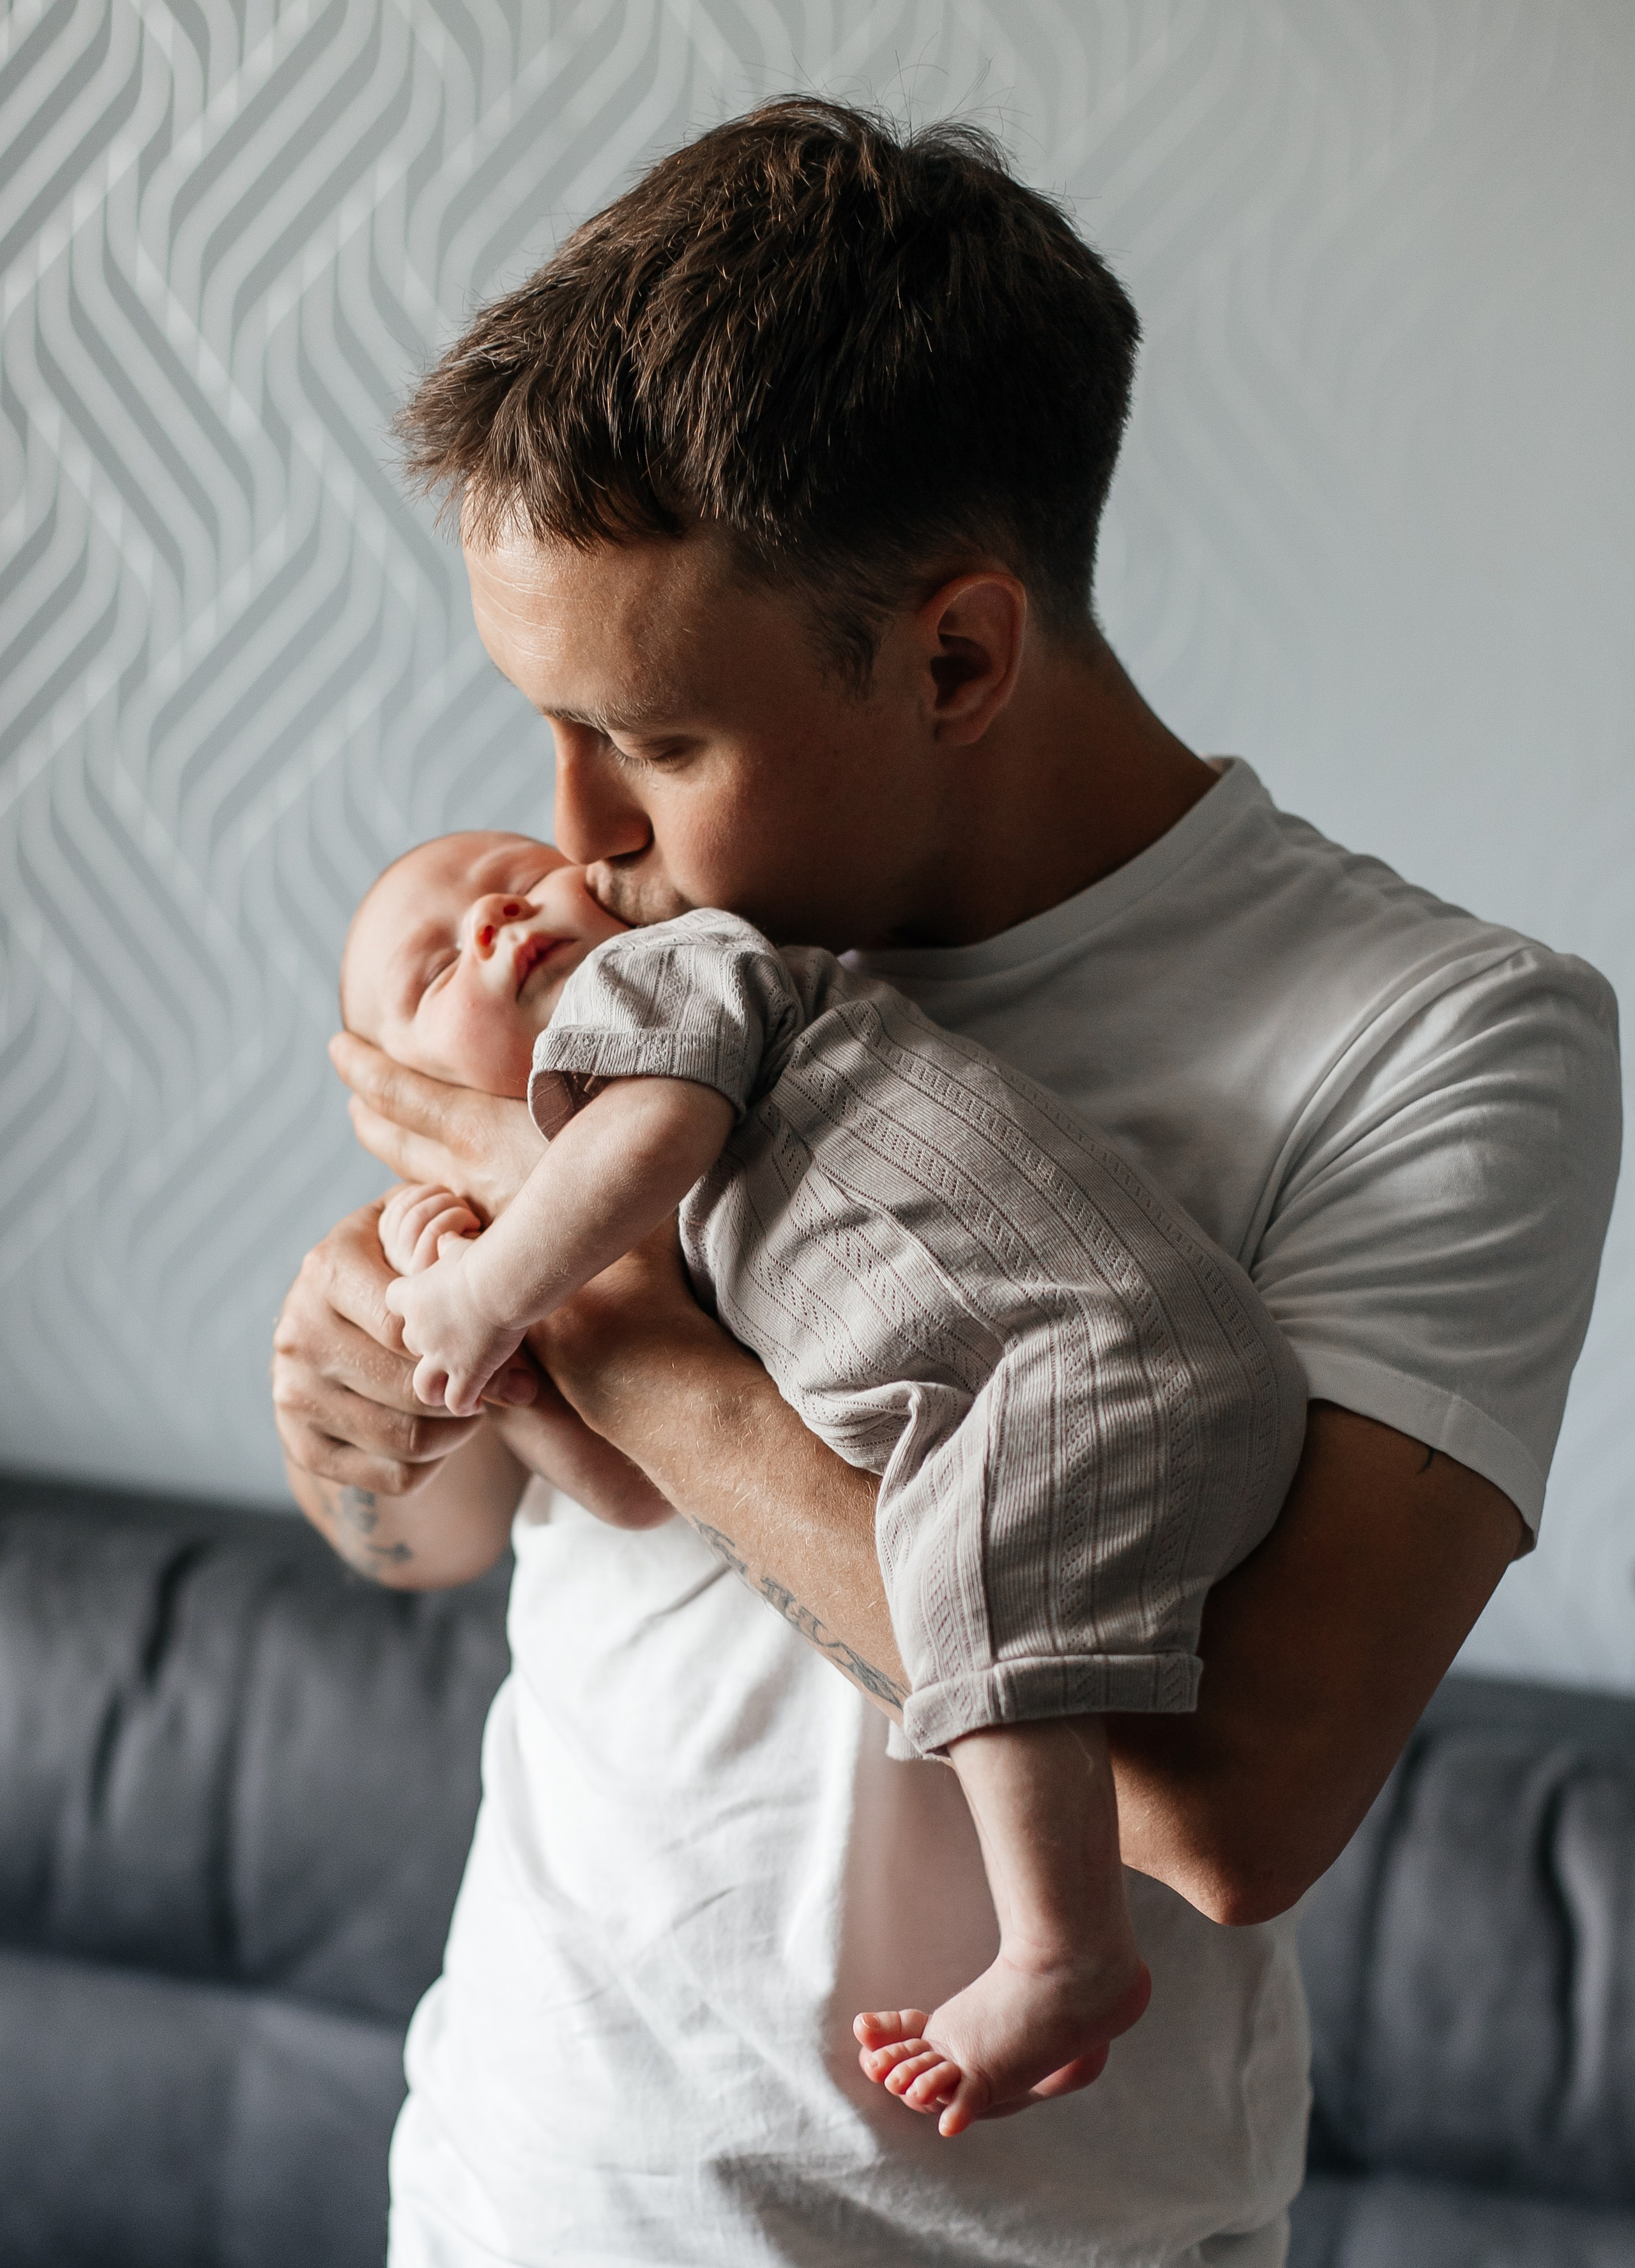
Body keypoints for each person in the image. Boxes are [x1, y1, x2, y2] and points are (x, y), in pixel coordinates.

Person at [272, 99, 1621, 2268]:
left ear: (958, 657)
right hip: (513, 2201)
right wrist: (369, 1418)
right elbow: (429, 1535)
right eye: (540, 720)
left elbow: (1236, 1808)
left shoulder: (1441, 1040)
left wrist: (624, 1338)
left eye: (652, 739)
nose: (568, 829)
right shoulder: (593, 970)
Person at [340, 829, 1307, 2134]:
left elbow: (656, 1128)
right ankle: (1059, 1949)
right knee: (970, 1581)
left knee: (965, 1596)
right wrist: (511, 1361)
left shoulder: (673, 976)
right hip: (1056, 1391)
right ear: (418, 1090)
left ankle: (1061, 1952)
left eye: (512, 881)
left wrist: (494, 1283)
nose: (496, 924)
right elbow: (641, 1491)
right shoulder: (604, 1216)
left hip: (1077, 1363)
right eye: (432, 968)